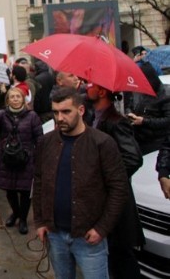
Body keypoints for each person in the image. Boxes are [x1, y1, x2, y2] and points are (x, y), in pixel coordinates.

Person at [33, 88, 129, 279]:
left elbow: (119, 188)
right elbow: (39, 182)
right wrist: (40, 221)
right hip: (55, 234)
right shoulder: (46, 142)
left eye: (66, 112)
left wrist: (102, 228)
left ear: (81, 110)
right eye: (56, 112)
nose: (60, 118)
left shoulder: (102, 143)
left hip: (89, 238)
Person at [86, 83, 144, 278]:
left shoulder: (116, 121)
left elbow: (133, 158)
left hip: (116, 200)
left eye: (91, 85)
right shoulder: (94, 117)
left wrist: (108, 178)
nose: (87, 87)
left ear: (101, 92)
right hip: (102, 199)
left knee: (122, 256)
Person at [0, 87, 42, 235]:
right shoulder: (1, 115)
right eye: (12, 97)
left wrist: (38, 155)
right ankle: (15, 212)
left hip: (25, 158)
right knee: (10, 190)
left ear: (23, 99)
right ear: (7, 100)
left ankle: (23, 219)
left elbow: (39, 136)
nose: (15, 99)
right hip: (6, 158)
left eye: (18, 97)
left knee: (25, 191)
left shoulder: (32, 116)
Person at [126, 62, 170, 154]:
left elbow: (167, 120)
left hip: (157, 142)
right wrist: (130, 114)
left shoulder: (165, 94)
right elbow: (130, 105)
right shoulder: (138, 90)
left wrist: (144, 121)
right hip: (138, 138)